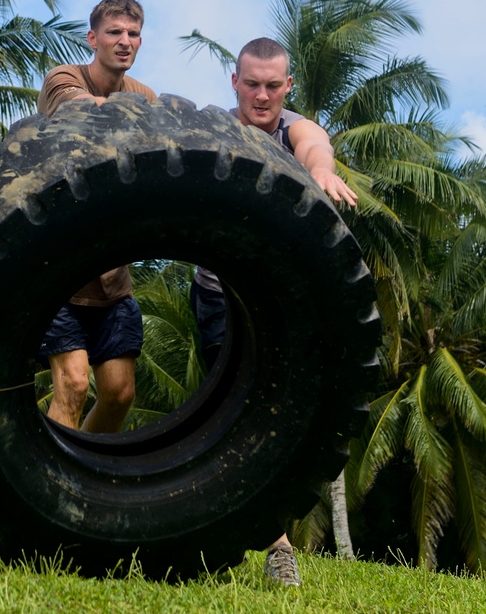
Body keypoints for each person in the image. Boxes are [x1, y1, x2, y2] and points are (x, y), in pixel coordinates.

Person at [190, 36, 358, 585]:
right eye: (252, 84)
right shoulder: (214, 124)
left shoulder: (294, 130)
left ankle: (265, 538)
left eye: (272, 86)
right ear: (234, 83)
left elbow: (315, 148)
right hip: (218, 296)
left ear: (287, 87)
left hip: (278, 303)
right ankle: (273, 543)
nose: (261, 97)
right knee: (227, 413)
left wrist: (324, 173)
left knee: (275, 416)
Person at [36, 0, 157, 433]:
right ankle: (47, 494)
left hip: (111, 279)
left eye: (133, 34)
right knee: (72, 384)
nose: (124, 42)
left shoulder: (144, 94)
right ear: (92, 38)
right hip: (56, 271)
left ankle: (79, 476)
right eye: (114, 33)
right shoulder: (63, 78)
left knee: (120, 393)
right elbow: (84, 115)